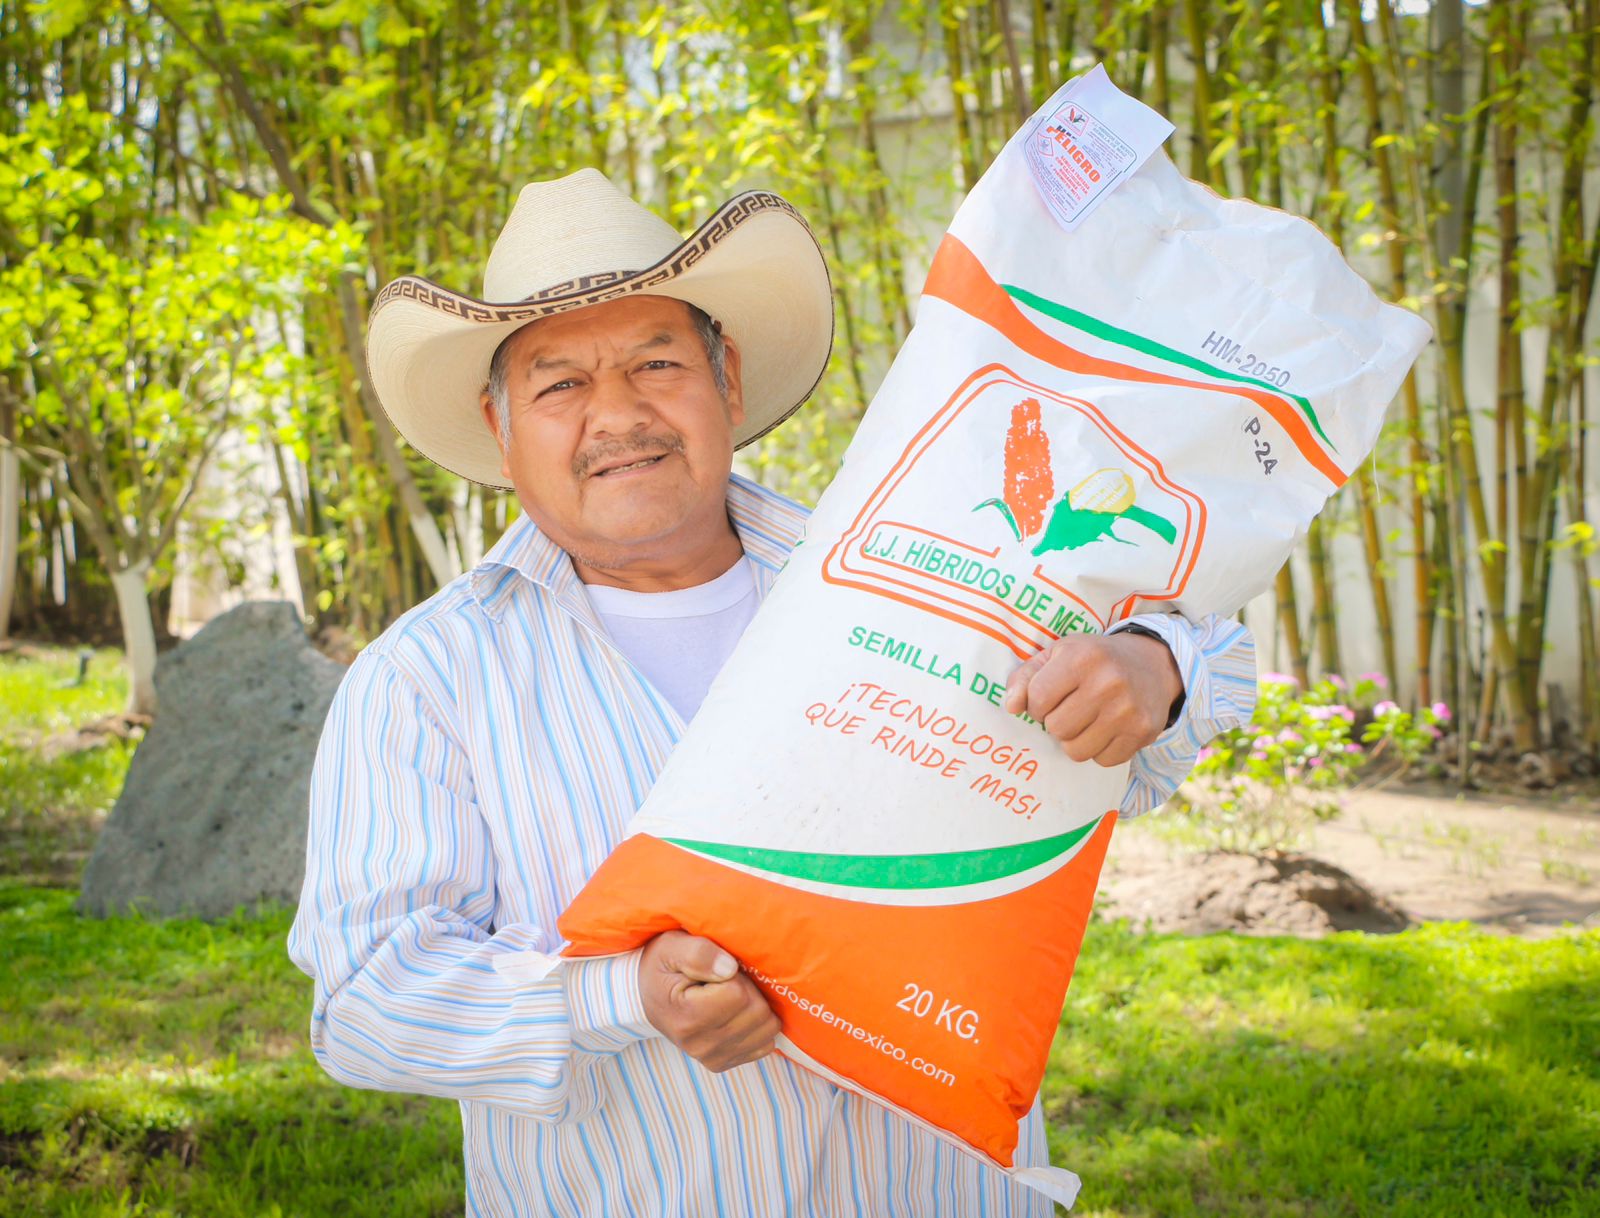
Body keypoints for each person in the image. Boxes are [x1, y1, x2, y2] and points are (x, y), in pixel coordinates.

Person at [288, 169, 1257, 1216]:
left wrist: (1156, 664)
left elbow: (1163, 729)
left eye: (657, 363)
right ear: (500, 426)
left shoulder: (908, 576)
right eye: (559, 385)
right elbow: (367, 1001)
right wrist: (622, 995)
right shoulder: (426, 679)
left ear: (729, 382)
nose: (617, 414)